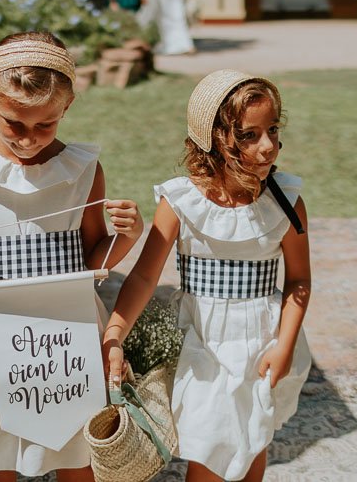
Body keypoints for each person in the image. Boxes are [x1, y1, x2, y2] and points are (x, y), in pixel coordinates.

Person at [0, 31, 145, 481]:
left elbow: (94, 255)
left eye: (45, 125)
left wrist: (128, 234)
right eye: (14, 124)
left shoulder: (82, 169)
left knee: (76, 452)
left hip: (68, 330)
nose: (28, 139)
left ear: (67, 107)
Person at [102, 69, 312, 482]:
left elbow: (299, 280)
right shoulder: (182, 202)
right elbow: (145, 277)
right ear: (214, 137)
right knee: (209, 451)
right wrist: (114, 333)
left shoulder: (286, 202)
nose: (268, 146)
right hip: (203, 343)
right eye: (249, 135)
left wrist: (284, 345)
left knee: (253, 441)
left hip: (262, 341)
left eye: (272, 129)